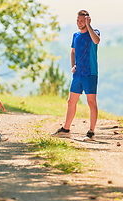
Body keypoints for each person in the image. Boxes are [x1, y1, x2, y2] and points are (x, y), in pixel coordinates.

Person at [51, 9, 100, 141]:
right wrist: (73, 65)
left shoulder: (94, 32)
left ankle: (91, 132)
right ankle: (66, 130)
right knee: (71, 101)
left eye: (82, 21)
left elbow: (96, 41)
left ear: (87, 20)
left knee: (91, 102)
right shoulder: (75, 35)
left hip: (90, 73)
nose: (79, 23)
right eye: (77, 20)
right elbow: (72, 51)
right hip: (77, 74)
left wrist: (89, 25)